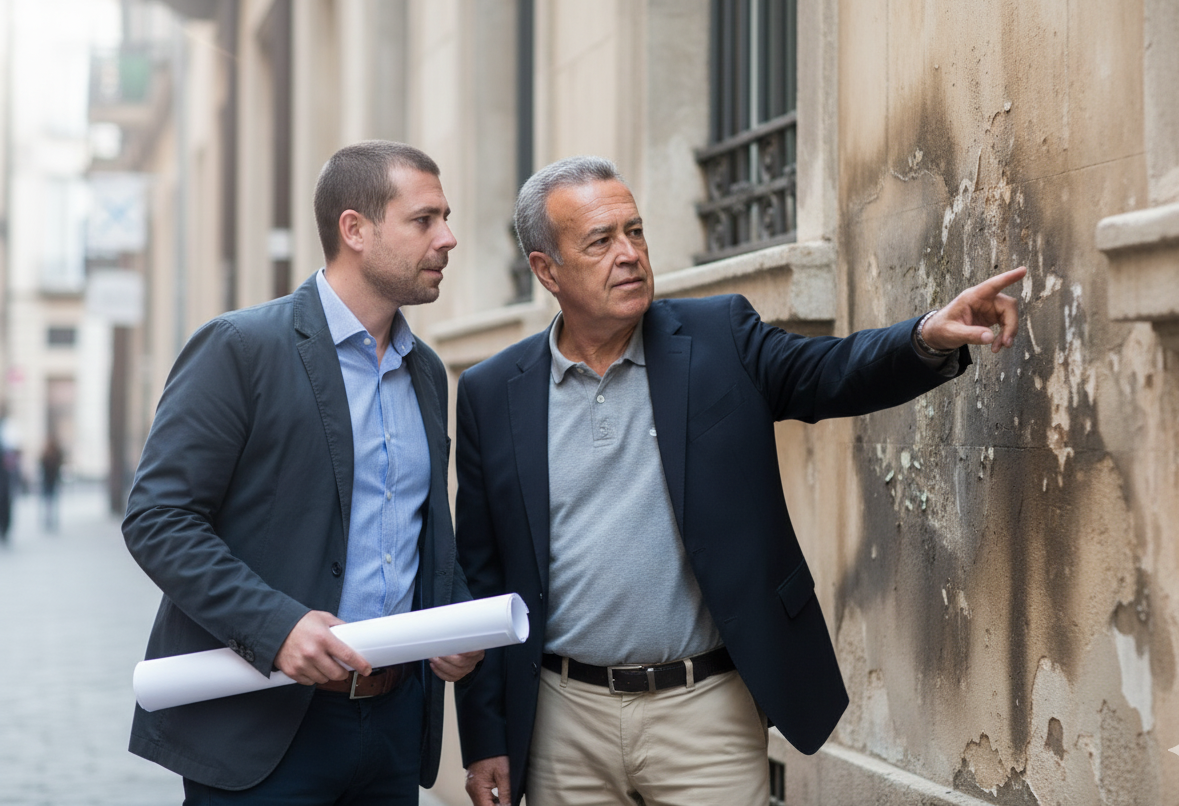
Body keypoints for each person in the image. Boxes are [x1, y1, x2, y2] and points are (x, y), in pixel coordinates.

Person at [453, 156, 1027, 806]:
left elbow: (829, 371)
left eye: (635, 232)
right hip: (563, 719)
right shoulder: (492, 392)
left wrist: (925, 336)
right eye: (601, 240)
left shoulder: (718, 337)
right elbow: (481, 578)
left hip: (705, 711)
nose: (630, 254)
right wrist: (484, 738)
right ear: (545, 270)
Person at [123, 141, 483, 804]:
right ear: (354, 229)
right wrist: (276, 626)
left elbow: (416, 531)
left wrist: (451, 619)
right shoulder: (241, 348)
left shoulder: (427, 371)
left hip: (394, 730)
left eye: (446, 217)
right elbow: (158, 520)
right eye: (424, 220)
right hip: (262, 730)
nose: (449, 238)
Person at [39, 436, 63, 531]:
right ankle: (50, 519)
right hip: (50, 480)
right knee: (51, 501)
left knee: (49, 501)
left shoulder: (49, 453)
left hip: (49, 480)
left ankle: (50, 519)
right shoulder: (52, 453)